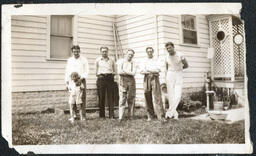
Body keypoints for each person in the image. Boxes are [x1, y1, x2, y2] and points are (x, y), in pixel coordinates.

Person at [140, 47, 166, 122]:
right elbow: (141, 71)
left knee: (157, 96)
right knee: (147, 96)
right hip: (146, 78)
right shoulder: (143, 61)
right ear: (146, 52)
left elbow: (158, 70)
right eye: (148, 51)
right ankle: (150, 115)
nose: (149, 53)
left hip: (155, 78)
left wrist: (148, 70)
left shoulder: (157, 60)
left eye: (151, 51)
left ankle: (161, 116)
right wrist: (152, 71)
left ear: (153, 52)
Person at [164, 42, 188, 119]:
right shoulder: (166, 56)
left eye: (170, 47)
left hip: (178, 74)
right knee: (171, 94)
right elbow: (167, 68)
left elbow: (186, 65)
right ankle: (174, 113)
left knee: (177, 94)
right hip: (170, 74)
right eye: (167, 48)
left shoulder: (180, 55)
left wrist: (178, 70)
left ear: (173, 47)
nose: (169, 49)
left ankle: (170, 112)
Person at [65, 45, 89, 122]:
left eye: (77, 51)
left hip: (81, 80)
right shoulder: (70, 60)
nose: (76, 53)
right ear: (72, 52)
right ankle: (74, 115)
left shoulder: (84, 60)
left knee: (81, 98)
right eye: (74, 51)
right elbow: (67, 72)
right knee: (73, 98)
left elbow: (86, 71)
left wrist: (80, 78)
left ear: (79, 51)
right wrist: (67, 82)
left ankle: (83, 116)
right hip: (72, 82)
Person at [95, 46, 116, 118]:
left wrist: (111, 75)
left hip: (110, 78)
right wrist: (100, 76)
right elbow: (96, 71)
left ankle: (111, 115)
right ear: (100, 52)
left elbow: (115, 70)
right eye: (103, 51)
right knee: (101, 97)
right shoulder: (98, 60)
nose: (104, 53)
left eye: (106, 51)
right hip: (101, 78)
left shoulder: (112, 60)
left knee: (111, 97)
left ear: (108, 52)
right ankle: (102, 116)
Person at [116, 49, 136, 122]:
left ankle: (130, 116)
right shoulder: (120, 61)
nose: (130, 56)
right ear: (126, 54)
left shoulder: (133, 63)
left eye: (132, 55)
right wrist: (128, 72)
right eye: (129, 54)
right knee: (122, 98)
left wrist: (124, 71)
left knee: (131, 98)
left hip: (131, 80)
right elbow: (119, 72)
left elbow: (133, 73)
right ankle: (121, 117)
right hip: (123, 80)